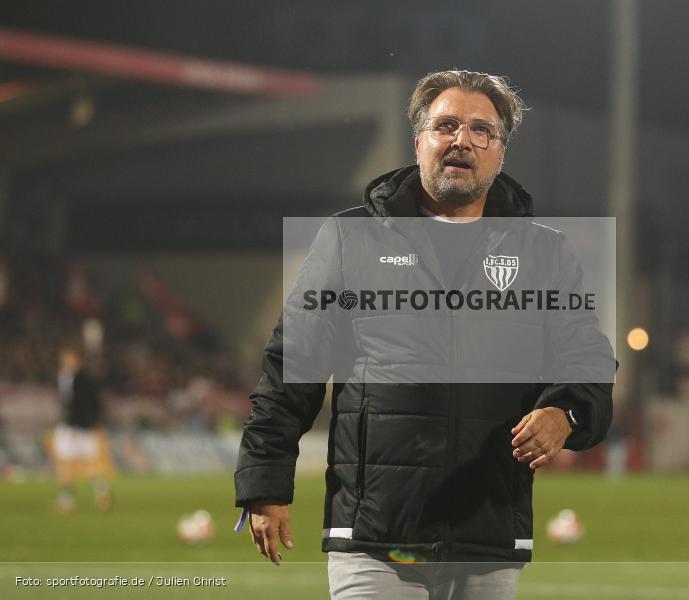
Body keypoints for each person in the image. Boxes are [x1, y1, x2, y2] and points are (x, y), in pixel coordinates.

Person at [234, 70, 617, 599]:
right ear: (419, 142)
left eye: (481, 130)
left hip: (486, 535)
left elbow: (588, 361)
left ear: (500, 152)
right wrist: (264, 483)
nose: (462, 140)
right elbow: (289, 368)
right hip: (373, 538)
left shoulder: (544, 254)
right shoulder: (350, 240)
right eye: (446, 126)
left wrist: (565, 413)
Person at [49, 344, 114, 512]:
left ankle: (99, 491)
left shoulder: (83, 379)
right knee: (67, 464)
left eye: (69, 358)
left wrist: (77, 426)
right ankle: (70, 499)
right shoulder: (64, 377)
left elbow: (87, 404)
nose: (66, 361)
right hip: (71, 426)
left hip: (78, 428)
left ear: (77, 360)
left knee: (83, 464)